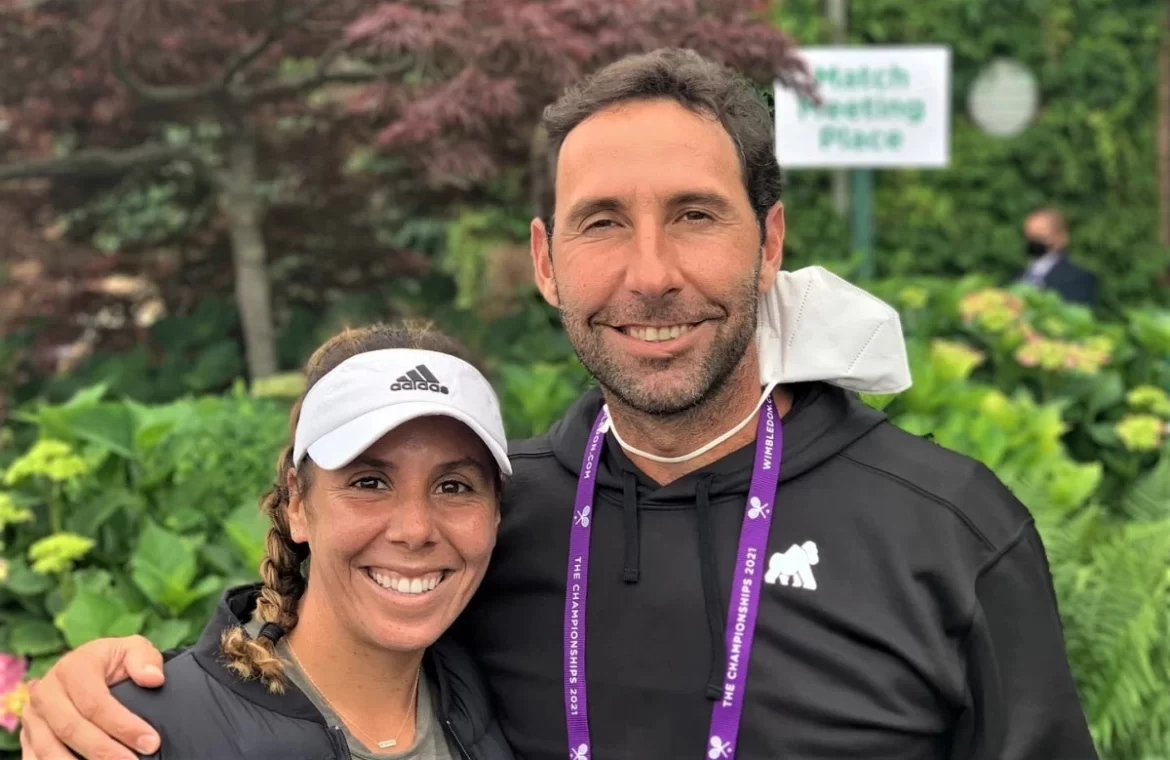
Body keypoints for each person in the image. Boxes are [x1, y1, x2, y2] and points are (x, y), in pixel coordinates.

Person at [22, 49, 1097, 760]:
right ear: (545, 261)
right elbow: (323, 630)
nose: (650, 273)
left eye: (695, 215)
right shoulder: (500, 517)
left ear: (769, 242)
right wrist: (110, 688)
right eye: (601, 223)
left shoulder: (949, 532)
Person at [30, 323, 517, 759]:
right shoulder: (138, 735)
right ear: (298, 504)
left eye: (454, 487)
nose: (414, 530)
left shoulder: (502, 686)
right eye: (369, 482)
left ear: (496, 513)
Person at [1017, 207, 1098, 306]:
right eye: (1029, 234)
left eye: (1039, 234)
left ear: (1060, 237)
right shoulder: (1017, 276)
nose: (1033, 239)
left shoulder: (1078, 279)